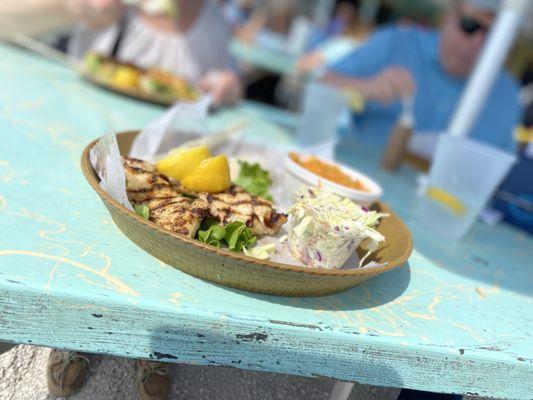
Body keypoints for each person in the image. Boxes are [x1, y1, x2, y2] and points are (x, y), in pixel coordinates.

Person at [321, 0, 522, 154]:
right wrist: (365, 87)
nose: (478, 43)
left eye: (494, 37)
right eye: (470, 26)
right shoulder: (396, 42)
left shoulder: (508, 96)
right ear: (447, 17)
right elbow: (318, 84)